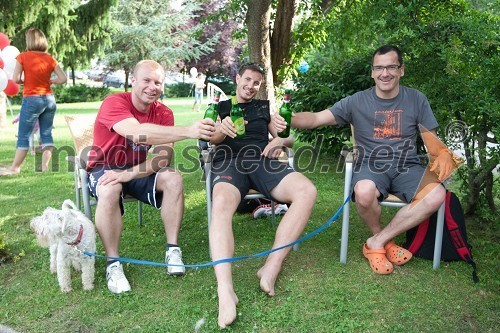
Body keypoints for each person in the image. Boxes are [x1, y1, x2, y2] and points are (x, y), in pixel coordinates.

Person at [274, 45, 457, 275]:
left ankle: (377, 242)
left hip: (407, 167)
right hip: (370, 166)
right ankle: (383, 239)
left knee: (436, 194)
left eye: (391, 67)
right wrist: (288, 118)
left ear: (401, 70)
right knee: (363, 191)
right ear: (372, 72)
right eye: (379, 68)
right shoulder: (356, 102)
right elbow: (315, 119)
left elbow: (432, 141)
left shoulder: (416, 99)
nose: (385, 73)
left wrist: (442, 156)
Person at [86, 59, 215, 294]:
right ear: (133, 80)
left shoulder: (164, 112)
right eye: (147, 80)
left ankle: (173, 249)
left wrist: (128, 174)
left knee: (173, 178)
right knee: (109, 189)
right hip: (104, 166)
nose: (152, 86)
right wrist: (188, 131)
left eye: (158, 82)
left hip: (136, 169)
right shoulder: (114, 102)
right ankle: (113, 263)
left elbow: (163, 158)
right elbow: (136, 133)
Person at [209, 63, 317, 328]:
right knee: (221, 204)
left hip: (262, 161)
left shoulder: (263, 108)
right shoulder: (220, 107)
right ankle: (225, 290)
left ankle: (272, 265)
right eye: (247, 80)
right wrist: (221, 130)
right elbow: (209, 140)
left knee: (307, 191)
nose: (251, 86)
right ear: (237, 79)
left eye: (256, 83)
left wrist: (279, 141)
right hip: (228, 162)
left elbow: (286, 139)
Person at [0, 28, 66, 176]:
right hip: (49, 99)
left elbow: (16, 79)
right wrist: (52, 81)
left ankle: (15, 168)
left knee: (24, 134)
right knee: (46, 134)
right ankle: (44, 167)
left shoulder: (23, 57)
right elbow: (63, 79)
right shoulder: (50, 58)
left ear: (29, 41)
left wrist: (26, 81)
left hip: (32, 99)